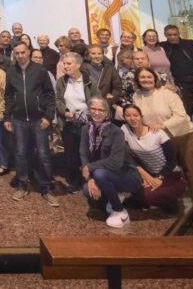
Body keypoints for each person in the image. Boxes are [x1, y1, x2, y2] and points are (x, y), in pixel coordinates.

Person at [132, 67, 193, 232]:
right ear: (137, 80)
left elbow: (181, 116)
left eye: (149, 76)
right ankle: (171, 205)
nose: (146, 80)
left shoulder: (167, 93)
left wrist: (163, 125)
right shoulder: (136, 96)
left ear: (155, 78)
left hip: (185, 137)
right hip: (162, 142)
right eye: (142, 77)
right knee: (169, 176)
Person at [4, 42, 58, 206]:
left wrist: (48, 116)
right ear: (14, 54)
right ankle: (22, 185)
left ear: (28, 52)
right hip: (19, 120)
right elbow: (8, 96)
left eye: (23, 52)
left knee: (43, 154)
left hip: (39, 119)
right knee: (20, 153)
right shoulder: (11, 71)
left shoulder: (40, 70)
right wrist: (7, 118)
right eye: (17, 53)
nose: (20, 55)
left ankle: (47, 188)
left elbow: (50, 95)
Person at [80, 97, 141, 228]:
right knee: (86, 189)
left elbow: (116, 162)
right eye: (93, 109)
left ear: (107, 113)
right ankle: (114, 195)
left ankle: (120, 211)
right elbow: (84, 155)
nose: (97, 112)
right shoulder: (86, 129)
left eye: (101, 110)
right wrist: (90, 179)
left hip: (127, 175)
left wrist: (90, 167)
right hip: (103, 174)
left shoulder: (116, 132)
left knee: (100, 174)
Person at [122, 104, 185, 210]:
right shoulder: (125, 129)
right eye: (128, 115)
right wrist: (144, 175)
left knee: (148, 195)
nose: (132, 118)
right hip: (149, 173)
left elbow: (172, 160)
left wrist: (160, 178)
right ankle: (147, 198)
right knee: (129, 183)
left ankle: (169, 201)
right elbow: (124, 153)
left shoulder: (157, 133)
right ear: (124, 118)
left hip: (170, 174)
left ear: (141, 117)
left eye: (135, 115)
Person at [56, 52, 100, 193]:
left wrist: (91, 114)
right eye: (64, 63)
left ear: (78, 65)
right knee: (71, 153)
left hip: (87, 123)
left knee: (87, 153)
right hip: (69, 123)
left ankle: (89, 179)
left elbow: (97, 100)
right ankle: (74, 181)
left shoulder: (89, 81)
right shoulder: (62, 81)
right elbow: (58, 99)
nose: (65, 66)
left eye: (69, 63)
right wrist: (65, 111)